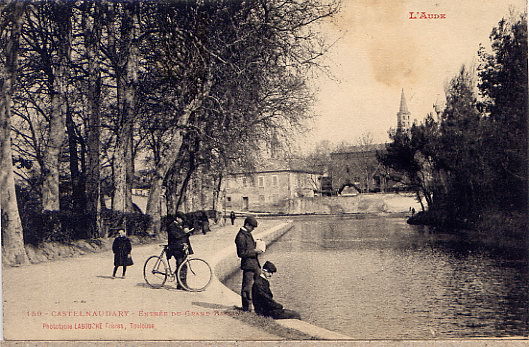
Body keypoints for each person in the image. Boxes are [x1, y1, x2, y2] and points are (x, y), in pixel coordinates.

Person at [234, 215, 262, 312]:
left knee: (259, 285)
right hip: (248, 266)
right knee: (247, 287)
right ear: (247, 225)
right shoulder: (240, 236)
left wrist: (257, 244)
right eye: (252, 227)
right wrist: (255, 251)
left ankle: (258, 306)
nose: (253, 229)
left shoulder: (247, 233)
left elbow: (249, 247)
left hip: (255, 264)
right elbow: (241, 253)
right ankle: (246, 308)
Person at [166, 212, 193, 290]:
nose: (182, 221)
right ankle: (182, 285)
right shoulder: (172, 226)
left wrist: (186, 228)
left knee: (182, 265)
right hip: (176, 248)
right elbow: (176, 236)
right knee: (181, 264)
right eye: (181, 219)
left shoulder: (181, 225)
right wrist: (185, 232)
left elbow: (187, 224)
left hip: (182, 248)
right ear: (177, 218)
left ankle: (181, 284)